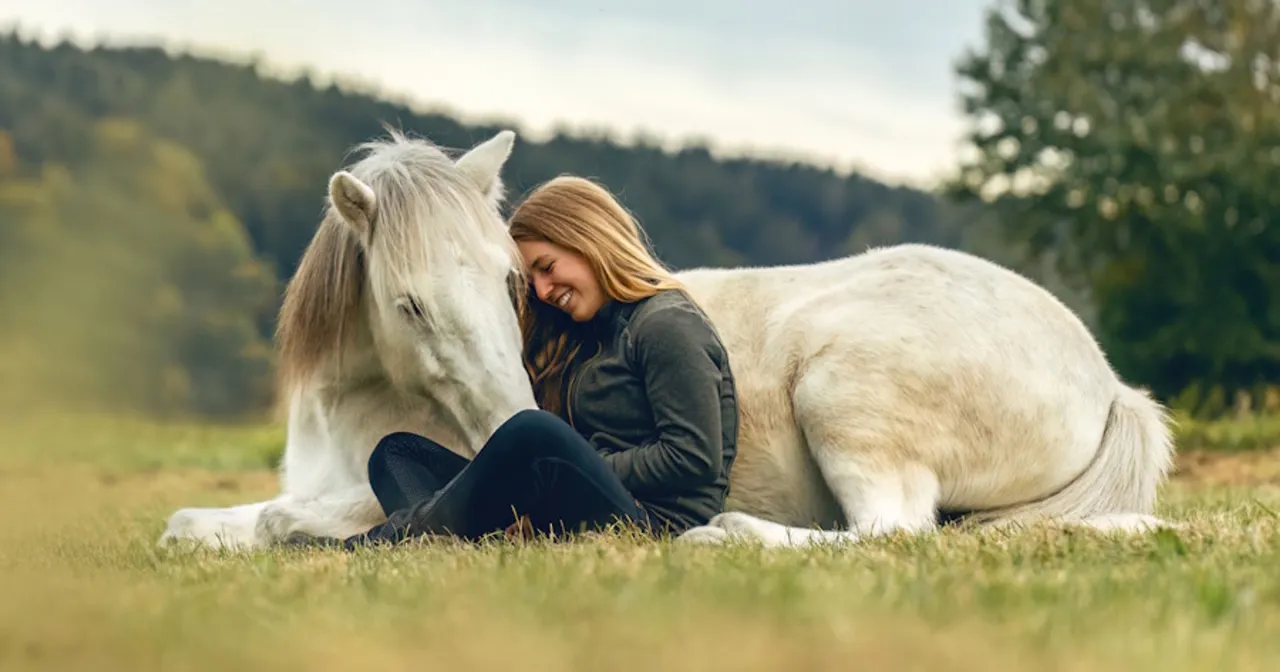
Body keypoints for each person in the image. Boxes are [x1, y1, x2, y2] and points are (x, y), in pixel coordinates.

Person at [308, 174, 740, 548]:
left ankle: (395, 540)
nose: (544, 289)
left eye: (547, 267)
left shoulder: (667, 325)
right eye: (533, 279)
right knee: (398, 454)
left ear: (589, 240)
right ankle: (455, 535)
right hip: (575, 505)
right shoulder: (591, 334)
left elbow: (693, 457)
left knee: (533, 433)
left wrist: (572, 470)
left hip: (653, 524)